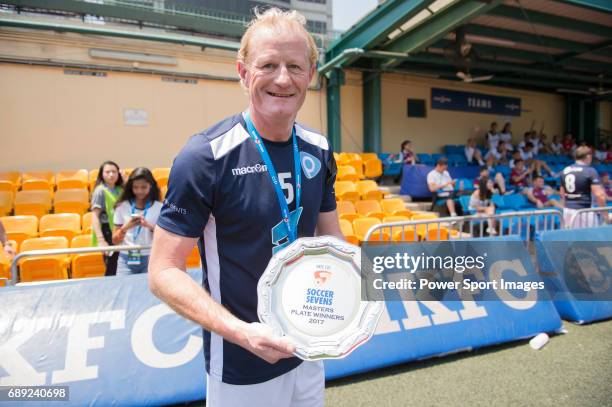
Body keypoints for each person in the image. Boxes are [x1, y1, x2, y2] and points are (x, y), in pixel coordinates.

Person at [147, 8, 342, 407]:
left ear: (312, 74)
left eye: (295, 66)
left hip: (307, 351)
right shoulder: (205, 156)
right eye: (268, 65)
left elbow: (333, 240)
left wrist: (351, 305)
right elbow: (163, 271)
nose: (283, 79)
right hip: (241, 363)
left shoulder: (318, 150)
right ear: (242, 72)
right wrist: (242, 332)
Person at [112, 167, 162, 275]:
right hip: (125, 259)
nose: (139, 191)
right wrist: (126, 227)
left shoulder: (159, 207)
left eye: (144, 187)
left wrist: (149, 226)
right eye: (136, 187)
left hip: (151, 257)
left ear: (151, 186)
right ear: (131, 187)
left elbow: (164, 238)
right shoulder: (122, 207)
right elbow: (115, 240)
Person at [91, 160, 124, 276]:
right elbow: (95, 216)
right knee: (112, 266)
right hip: (107, 231)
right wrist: (101, 240)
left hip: (120, 230)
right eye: (107, 172)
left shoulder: (120, 189)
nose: (111, 174)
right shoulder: (100, 191)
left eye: (114, 172)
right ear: (102, 174)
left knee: (120, 264)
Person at [560, 146, 606, 228]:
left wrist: (565, 209)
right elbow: (600, 195)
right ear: (588, 157)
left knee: (571, 238)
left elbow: (562, 193)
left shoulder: (565, 170)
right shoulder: (590, 171)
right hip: (585, 211)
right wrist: (605, 214)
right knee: (591, 238)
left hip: (568, 211)